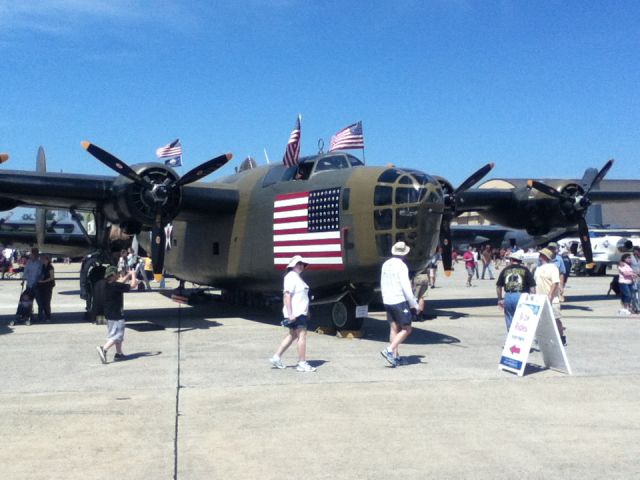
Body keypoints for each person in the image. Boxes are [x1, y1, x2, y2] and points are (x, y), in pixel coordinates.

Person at [270, 256, 316, 372]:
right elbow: (287, 295)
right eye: (298, 263)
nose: (301, 266)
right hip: (296, 313)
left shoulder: (297, 277)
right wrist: (290, 314)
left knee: (292, 335)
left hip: (300, 312)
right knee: (302, 336)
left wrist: (307, 311)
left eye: (302, 264)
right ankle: (302, 363)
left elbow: (301, 296)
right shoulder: (291, 277)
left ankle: (276, 357)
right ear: (292, 265)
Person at [380, 241, 421, 367]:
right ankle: (389, 350)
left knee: (394, 328)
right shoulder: (402, 266)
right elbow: (406, 287)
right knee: (407, 329)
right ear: (404, 253)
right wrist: (414, 303)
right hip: (398, 300)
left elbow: (382, 282)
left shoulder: (386, 264)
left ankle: (395, 357)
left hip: (387, 299)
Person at [96, 265, 131, 364]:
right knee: (118, 335)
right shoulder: (116, 285)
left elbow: (121, 283)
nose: (119, 275)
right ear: (113, 275)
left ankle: (119, 354)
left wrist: (128, 274)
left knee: (114, 334)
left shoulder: (107, 284)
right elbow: (131, 286)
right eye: (117, 274)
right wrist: (133, 276)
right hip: (117, 315)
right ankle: (104, 348)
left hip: (109, 314)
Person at [496, 250, 536, 332]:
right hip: (521, 296)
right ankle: (519, 339)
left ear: (511, 260)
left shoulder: (505, 270)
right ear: (520, 261)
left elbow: (498, 286)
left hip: (508, 296)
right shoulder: (525, 270)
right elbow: (532, 286)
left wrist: (500, 299)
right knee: (521, 319)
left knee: (509, 318)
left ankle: (511, 340)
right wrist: (533, 298)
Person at [534, 248, 566, 346]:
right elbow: (535, 284)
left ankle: (561, 337)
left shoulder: (553, 268)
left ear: (544, 257)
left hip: (552, 299)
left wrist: (550, 295)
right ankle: (544, 339)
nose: (539, 256)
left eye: (540, 254)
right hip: (540, 298)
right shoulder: (538, 269)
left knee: (556, 320)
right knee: (542, 321)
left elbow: (555, 282)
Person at [23, 247, 43, 325]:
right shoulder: (28, 263)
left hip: (37, 286)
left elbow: (40, 273)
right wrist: (26, 279)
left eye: (35, 254)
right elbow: (25, 273)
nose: (34, 255)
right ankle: (30, 317)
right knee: (28, 302)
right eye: (33, 254)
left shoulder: (39, 263)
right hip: (29, 285)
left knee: (39, 302)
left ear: (37, 254)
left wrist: (37, 281)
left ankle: (40, 316)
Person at [37, 254, 55, 322]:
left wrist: (43, 281)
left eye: (43, 259)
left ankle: (48, 317)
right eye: (41, 259)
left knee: (47, 302)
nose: (41, 260)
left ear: (47, 260)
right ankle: (41, 316)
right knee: (41, 302)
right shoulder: (42, 266)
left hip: (48, 286)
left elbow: (52, 277)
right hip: (42, 285)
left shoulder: (50, 267)